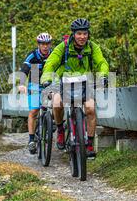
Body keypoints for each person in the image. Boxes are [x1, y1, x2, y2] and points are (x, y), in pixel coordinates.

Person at [40, 18, 109, 159]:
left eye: (85, 33)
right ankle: (60, 129)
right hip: (63, 82)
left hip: (84, 82)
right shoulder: (63, 47)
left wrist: (103, 76)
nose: (82, 37)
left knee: (90, 108)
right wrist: (46, 79)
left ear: (88, 34)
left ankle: (89, 144)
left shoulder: (92, 47)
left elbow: (101, 62)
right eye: (79, 34)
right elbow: (50, 64)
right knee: (57, 103)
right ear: (73, 34)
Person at [18, 32, 53, 154]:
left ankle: (51, 121)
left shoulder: (54, 54)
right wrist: (22, 84)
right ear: (38, 44)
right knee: (34, 111)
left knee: (57, 103)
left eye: (47, 44)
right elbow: (24, 69)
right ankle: (31, 139)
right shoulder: (32, 55)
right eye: (42, 44)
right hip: (35, 85)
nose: (45, 47)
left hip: (50, 85)